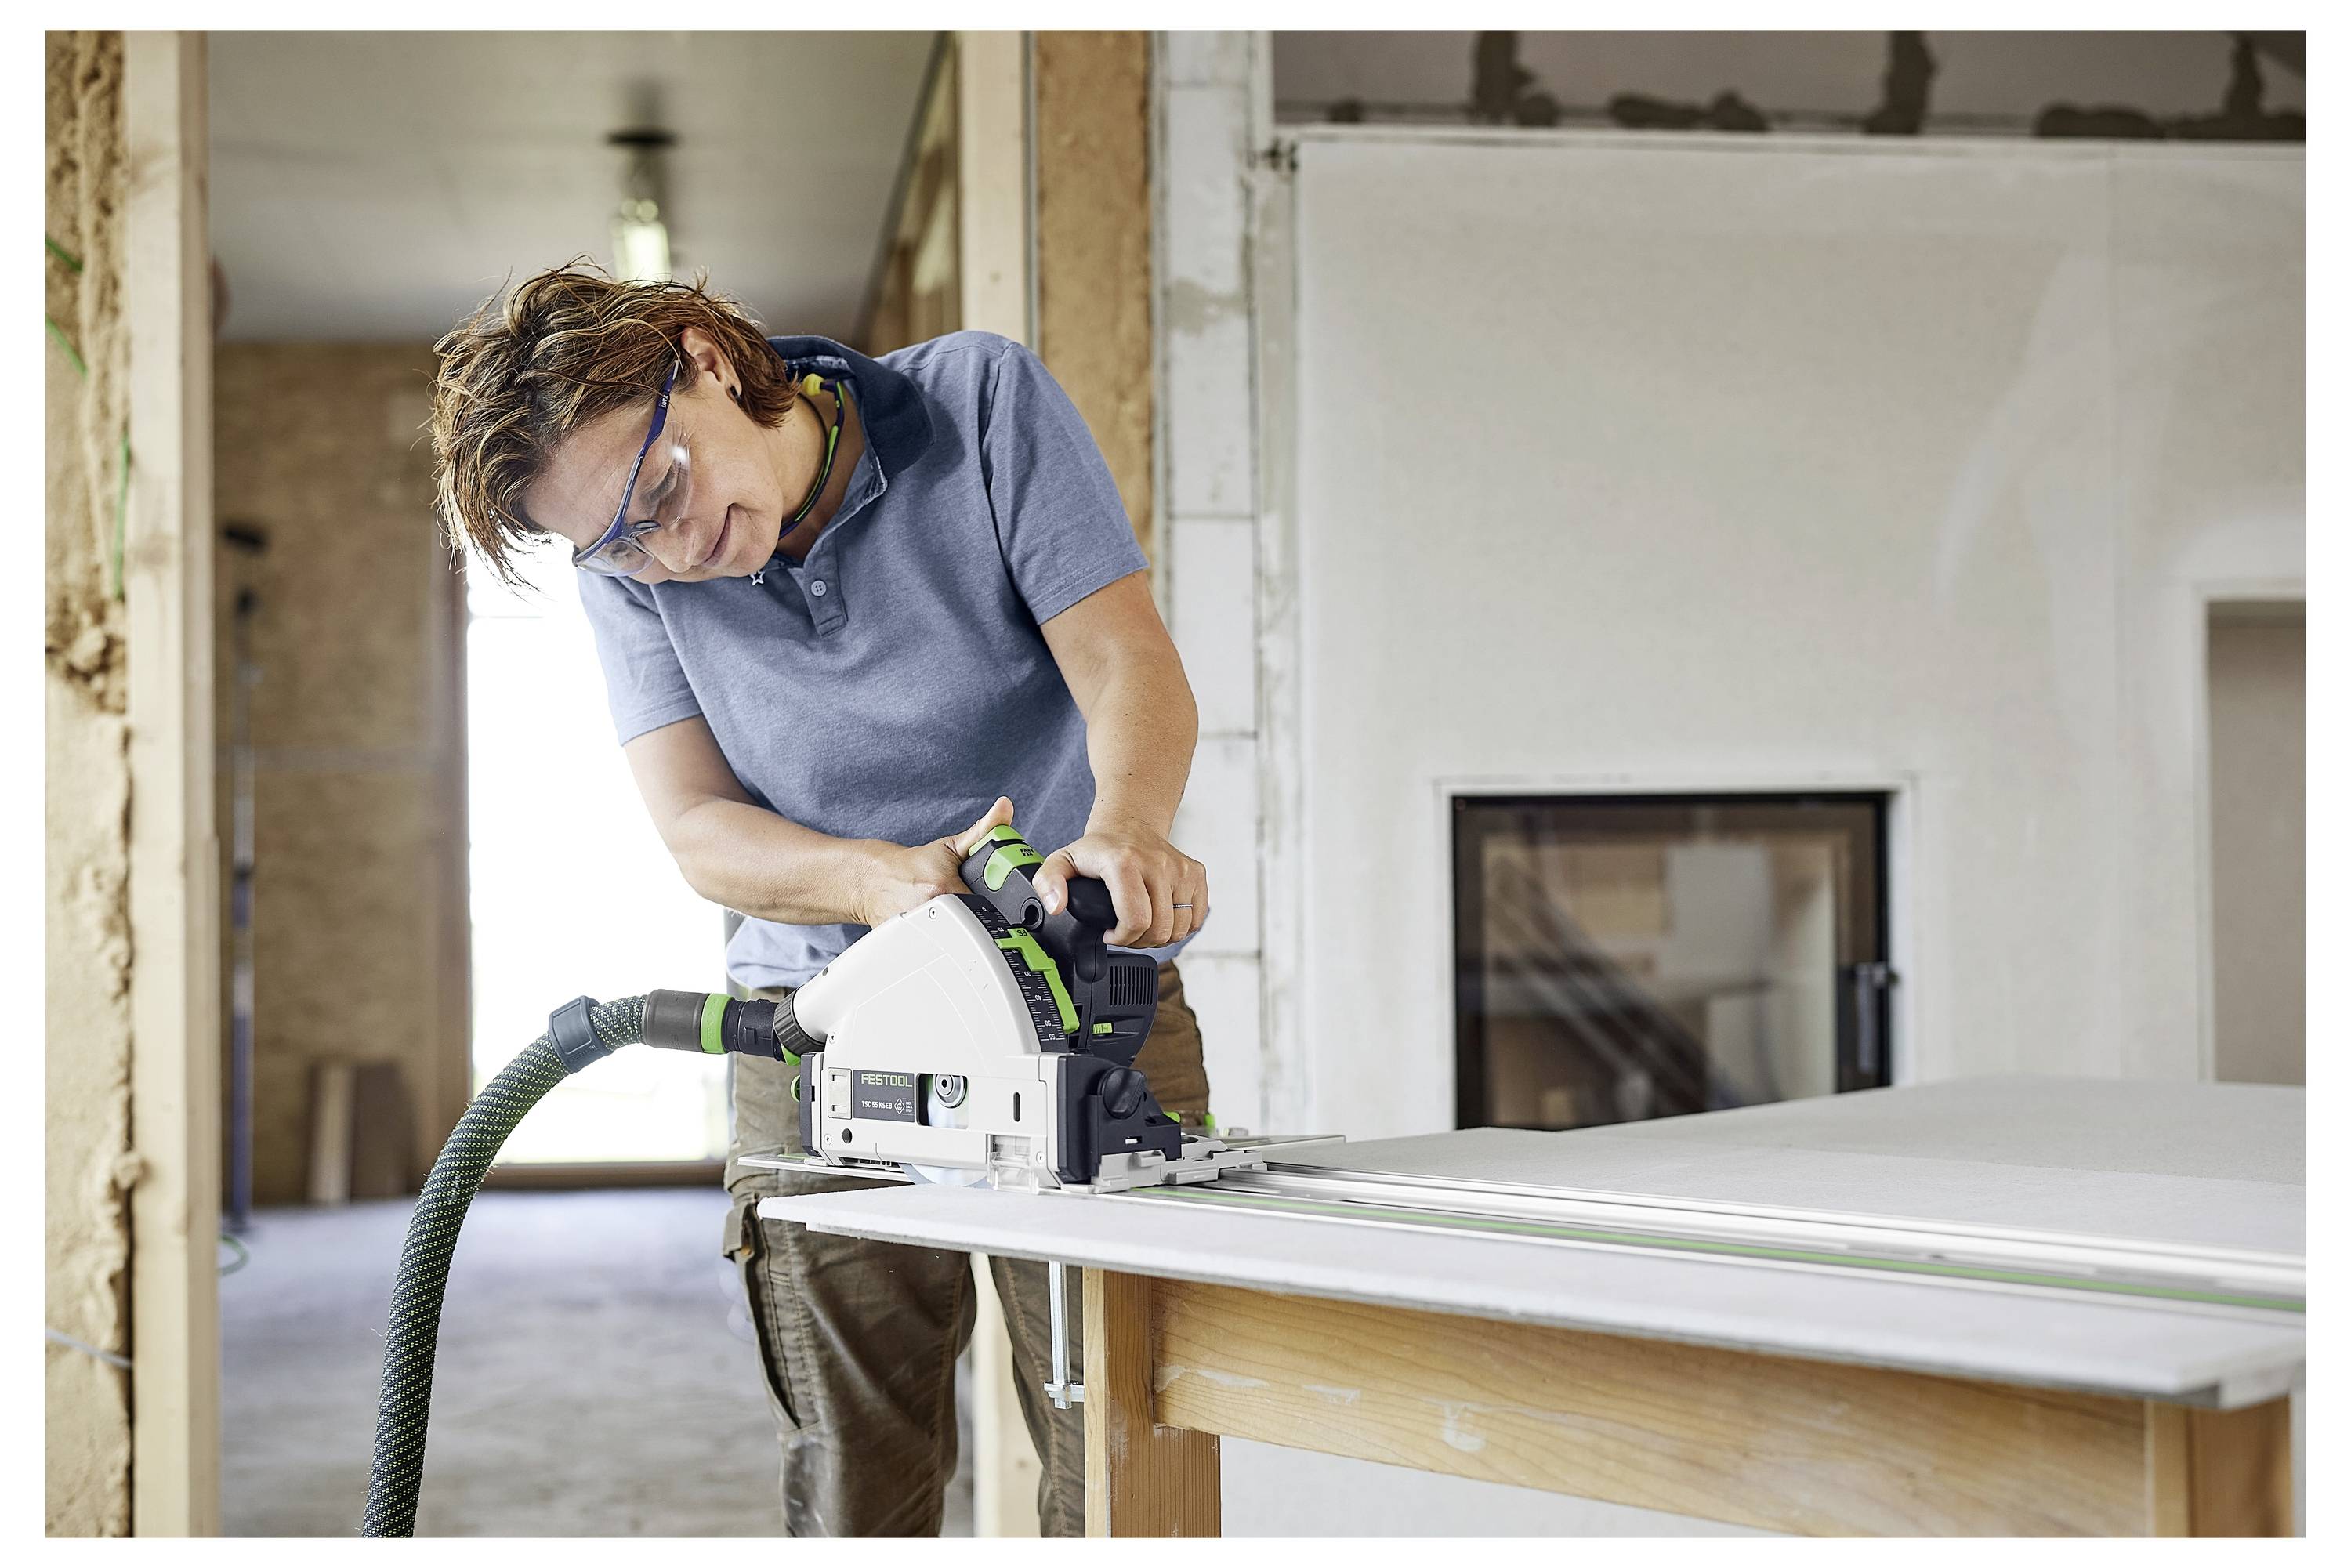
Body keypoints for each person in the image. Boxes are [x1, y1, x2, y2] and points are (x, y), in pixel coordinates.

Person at [426, 260, 1212, 1536]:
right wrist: (869, 878)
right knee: (858, 1464)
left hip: (1074, 979)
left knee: (1123, 1433)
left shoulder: (978, 400)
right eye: (623, 539)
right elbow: (696, 827)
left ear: (707, 358)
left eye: (665, 486)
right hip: (822, 1014)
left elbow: (1126, 657)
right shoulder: (623, 568)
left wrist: (1123, 830)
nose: (672, 547)